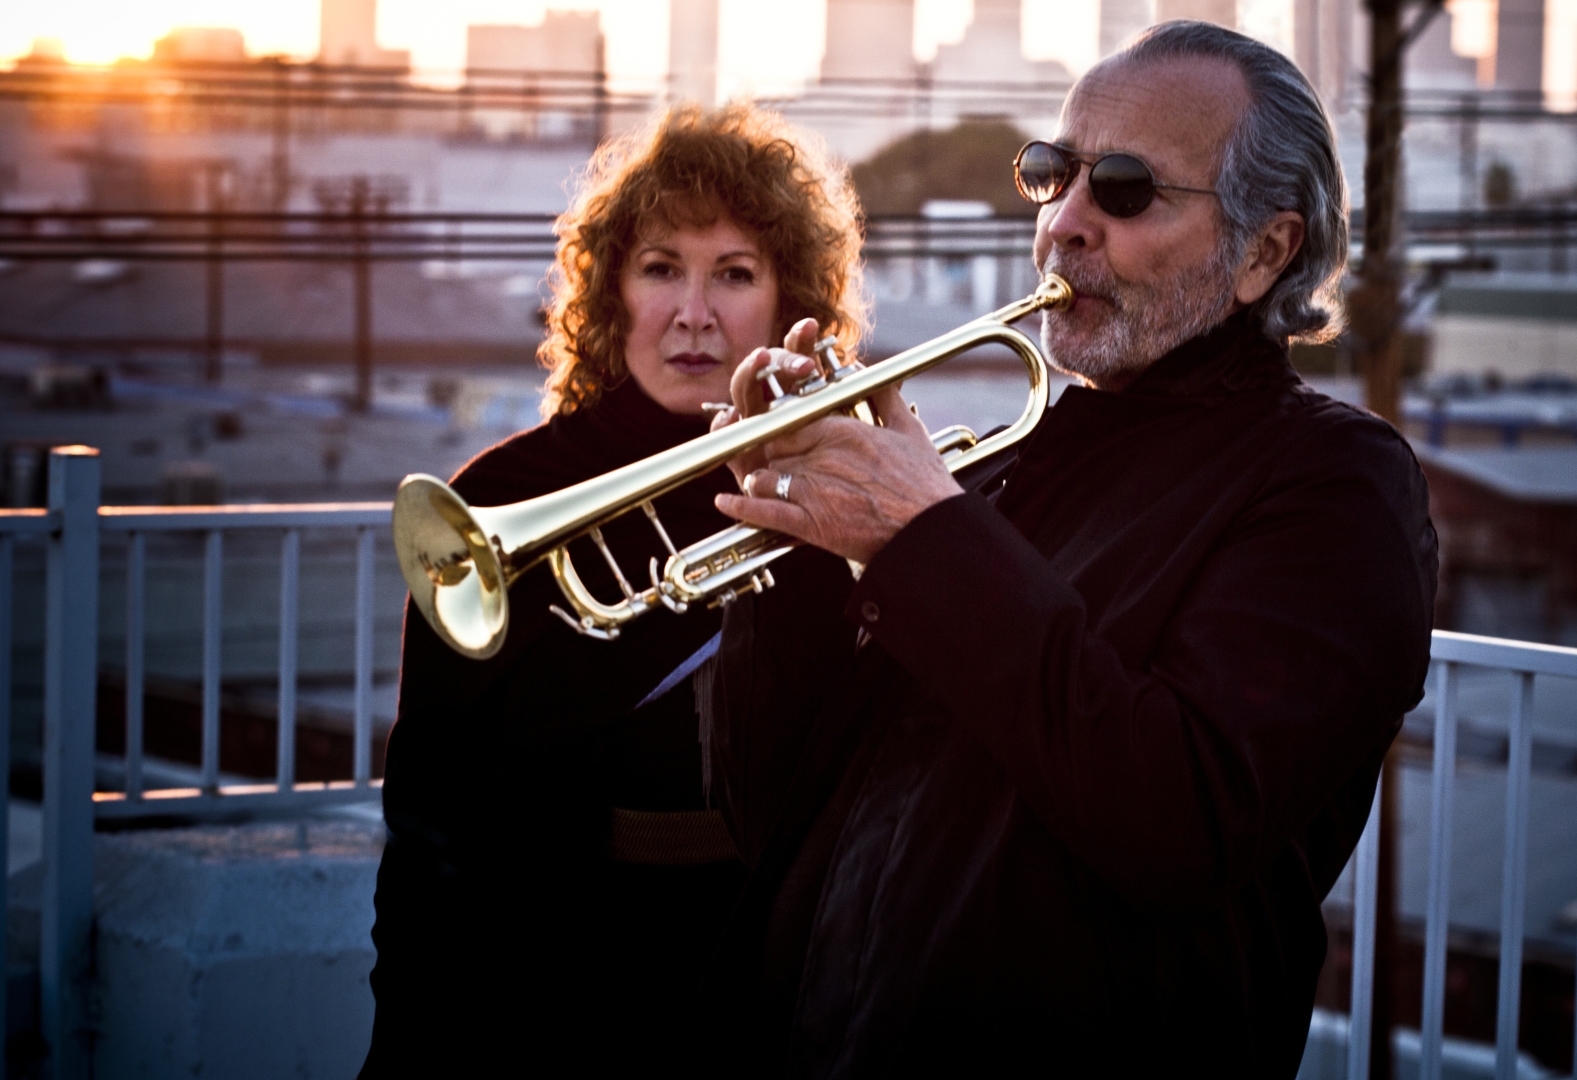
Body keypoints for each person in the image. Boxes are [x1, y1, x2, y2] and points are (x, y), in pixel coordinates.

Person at [697, 21, 1438, 1076]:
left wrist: (924, 536)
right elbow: (770, 806)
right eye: (1051, 177)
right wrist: (803, 542)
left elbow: (1177, 815)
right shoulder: (1010, 465)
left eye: (1125, 189)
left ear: (1264, 253)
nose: (1062, 227)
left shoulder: (1337, 487)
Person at [361, 104, 866, 1077]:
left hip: (769, 978)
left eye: (735, 274)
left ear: (789, 302)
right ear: (612, 293)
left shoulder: (840, 486)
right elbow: (430, 813)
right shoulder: (504, 495)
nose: (694, 312)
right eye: (662, 268)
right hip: (554, 979)